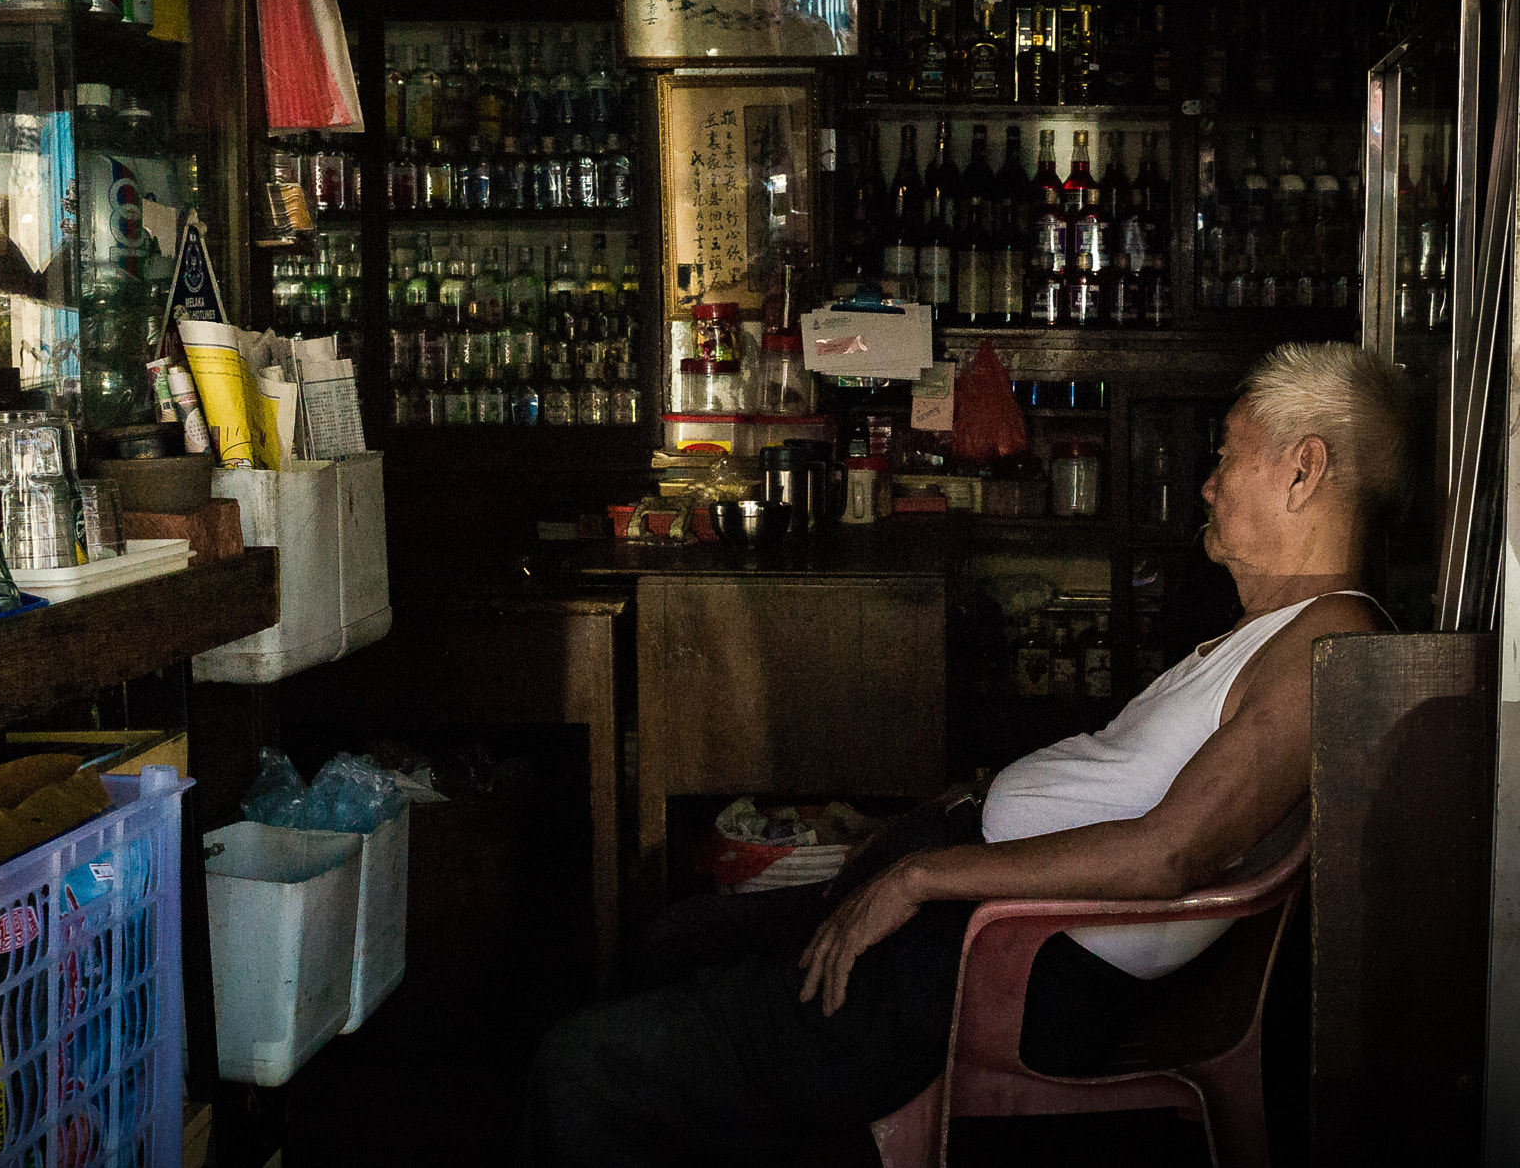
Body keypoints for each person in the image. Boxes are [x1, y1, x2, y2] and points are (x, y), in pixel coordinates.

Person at [524, 341, 1413, 1167]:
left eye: (1226, 455)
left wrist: (922, 877)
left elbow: (1167, 853)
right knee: (673, 939)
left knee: (580, 1066)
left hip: (1000, 961)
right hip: (968, 910)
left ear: (1303, 471)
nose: (1210, 485)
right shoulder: (1274, 631)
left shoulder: (1326, 638)